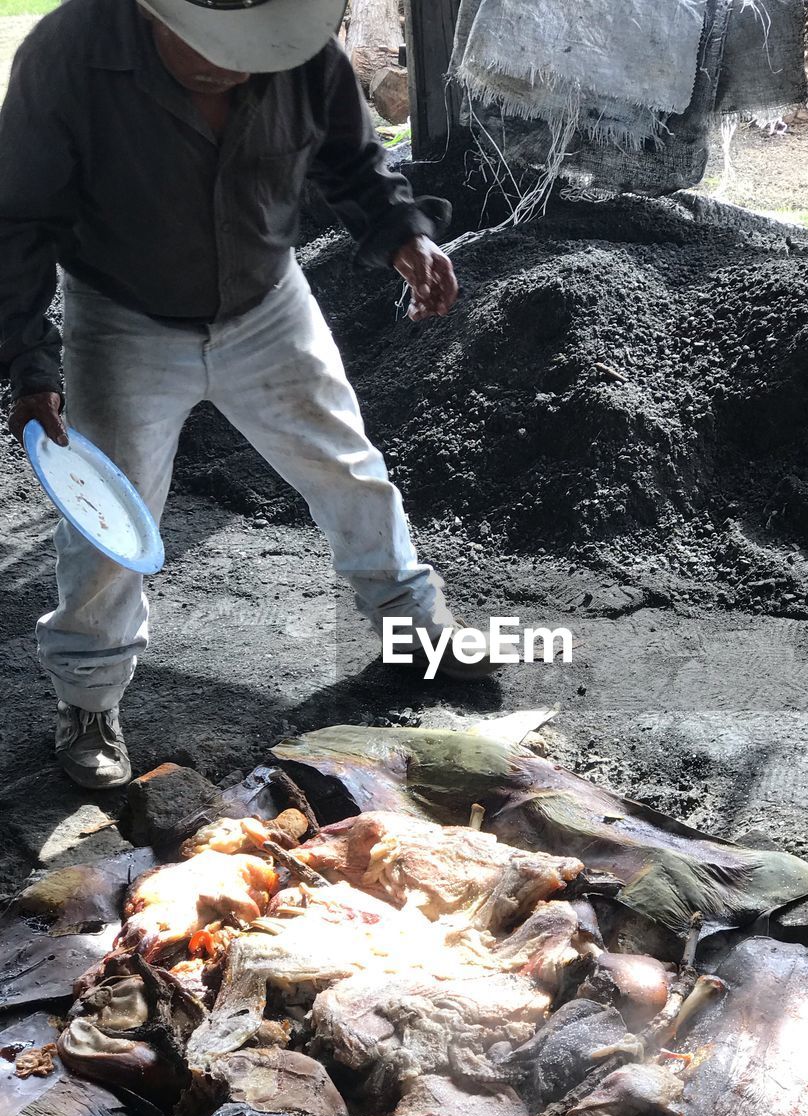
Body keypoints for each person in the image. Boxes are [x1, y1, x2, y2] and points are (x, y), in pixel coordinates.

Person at [0, 0, 489, 792]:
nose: (231, 63)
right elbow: (16, 222)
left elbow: (354, 162)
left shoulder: (302, 54)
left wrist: (404, 236)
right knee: (106, 524)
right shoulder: (68, 54)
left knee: (348, 469)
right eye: (208, 44)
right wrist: (28, 363)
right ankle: (88, 698)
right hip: (122, 314)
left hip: (267, 304)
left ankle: (414, 628)